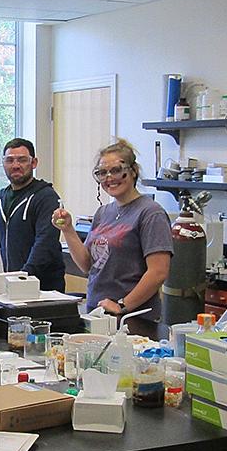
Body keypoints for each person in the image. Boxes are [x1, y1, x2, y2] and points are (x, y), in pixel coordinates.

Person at [52, 139, 172, 337]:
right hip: (99, 313)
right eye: (102, 172)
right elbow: (87, 265)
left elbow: (158, 272)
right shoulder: (103, 213)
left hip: (133, 320)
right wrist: (68, 230)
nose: (109, 178)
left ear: (133, 171)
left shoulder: (151, 213)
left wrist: (122, 305)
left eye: (116, 170)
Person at [0, 138, 66, 291]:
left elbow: (45, 243)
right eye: (10, 160)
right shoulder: (0, 199)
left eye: (22, 160)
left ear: (34, 163)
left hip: (43, 289)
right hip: (14, 286)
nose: (15, 165)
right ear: (3, 163)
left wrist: (22, 277)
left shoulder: (46, 197)